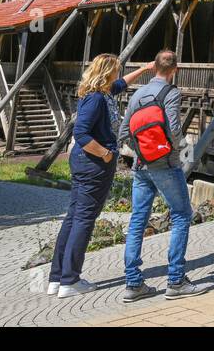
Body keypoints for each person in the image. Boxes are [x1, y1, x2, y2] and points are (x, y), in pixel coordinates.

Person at [48, 54, 152, 297]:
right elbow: (82, 134)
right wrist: (105, 154)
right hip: (94, 164)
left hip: (87, 164)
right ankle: (70, 280)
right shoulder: (96, 99)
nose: (118, 74)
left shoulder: (101, 92)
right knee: (84, 219)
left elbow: (121, 84)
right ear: (107, 73)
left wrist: (145, 69)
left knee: (74, 217)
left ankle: (56, 278)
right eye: (116, 70)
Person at [118, 50, 199, 301]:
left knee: (137, 221)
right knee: (181, 215)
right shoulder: (171, 93)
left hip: (141, 166)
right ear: (175, 69)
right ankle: (175, 281)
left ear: (154, 67)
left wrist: (143, 149)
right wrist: (178, 150)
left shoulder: (137, 94)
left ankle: (133, 284)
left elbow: (123, 132)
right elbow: (174, 129)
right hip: (165, 165)